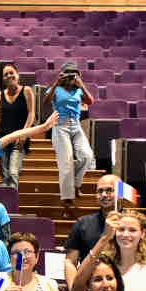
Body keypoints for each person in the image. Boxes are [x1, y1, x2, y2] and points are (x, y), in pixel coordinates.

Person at [44, 63, 95, 206]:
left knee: (87, 155)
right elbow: (46, 102)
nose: (70, 77)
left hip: (76, 124)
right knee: (66, 162)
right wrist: (56, 83)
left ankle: (75, 184)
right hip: (60, 124)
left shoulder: (78, 89)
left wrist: (81, 84)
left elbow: (90, 101)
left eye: (74, 74)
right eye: (68, 73)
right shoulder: (57, 88)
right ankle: (67, 197)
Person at [63, 178, 119, 284]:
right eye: (100, 191)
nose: (104, 195)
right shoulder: (82, 223)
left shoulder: (132, 223)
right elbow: (70, 261)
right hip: (89, 287)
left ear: (120, 193)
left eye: (109, 190)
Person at [0, 63, 35, 188]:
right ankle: (6, 203)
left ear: (17, 75)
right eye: (6, 74)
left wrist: (24, 135)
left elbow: (31, 114)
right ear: (3, 79)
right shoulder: (1, 95)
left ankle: (13, 206)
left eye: (11, 73)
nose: (9, 76)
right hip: (3, 138)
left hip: (19, 139)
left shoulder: (27, 91)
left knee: (13, 172)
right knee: (5, 174)